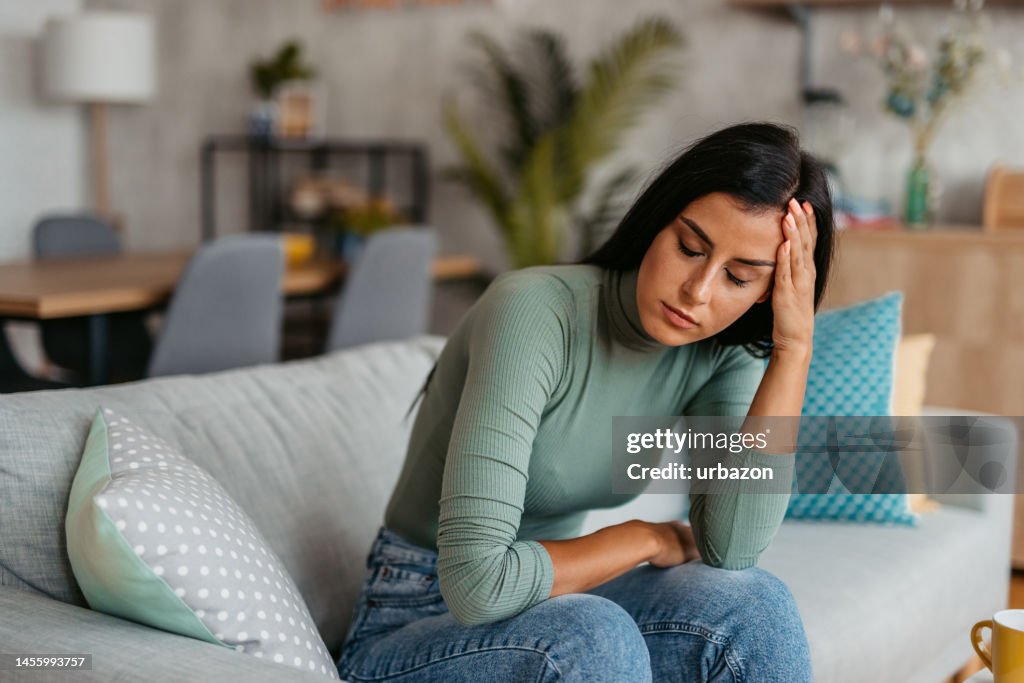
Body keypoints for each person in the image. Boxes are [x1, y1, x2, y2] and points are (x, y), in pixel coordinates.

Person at [336, 122, 835, 682]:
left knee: (754, 605)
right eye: (690, 247)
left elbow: (733, 549)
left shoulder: (720, 351)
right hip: (419, 614)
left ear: (768, 290)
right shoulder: (533, 312)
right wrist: (646, 536)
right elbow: (478, 585)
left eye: (739, 277)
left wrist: (794, 348)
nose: (698, 291)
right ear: (657, 222)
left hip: (553, 603)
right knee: (593, 633)